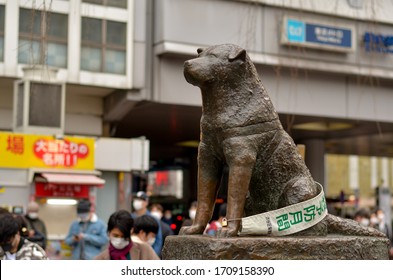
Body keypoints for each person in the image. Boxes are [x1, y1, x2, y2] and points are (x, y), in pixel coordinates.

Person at [95, 210, 159, 260]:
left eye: (124, 236)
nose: (119, 240)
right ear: (109, 233)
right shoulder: (99, 259)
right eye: (116, 235)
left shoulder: (145, 250)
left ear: (131, 231)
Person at [131, 191, 163, 256]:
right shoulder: (130, 217)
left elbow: (158, 240)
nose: (137, 202)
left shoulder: (153, 219)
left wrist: (152, 256)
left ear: (146, 202)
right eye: (136, 199)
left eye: (140, 200)